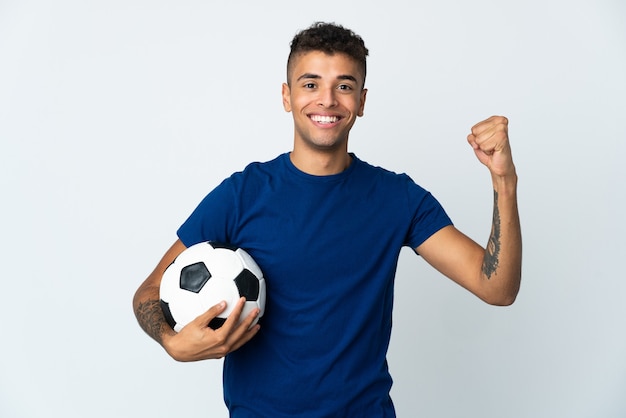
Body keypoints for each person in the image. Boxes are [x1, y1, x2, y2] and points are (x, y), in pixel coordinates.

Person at [133, 22, 522, 418]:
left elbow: (497, 288)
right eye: (310, 84)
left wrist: (503, 181)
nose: (328, 100)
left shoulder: (398, 198)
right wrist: (171, 341)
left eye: (344, 86)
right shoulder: (242, 195)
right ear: (287, 96)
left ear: (362, 100)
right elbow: (148, 292)